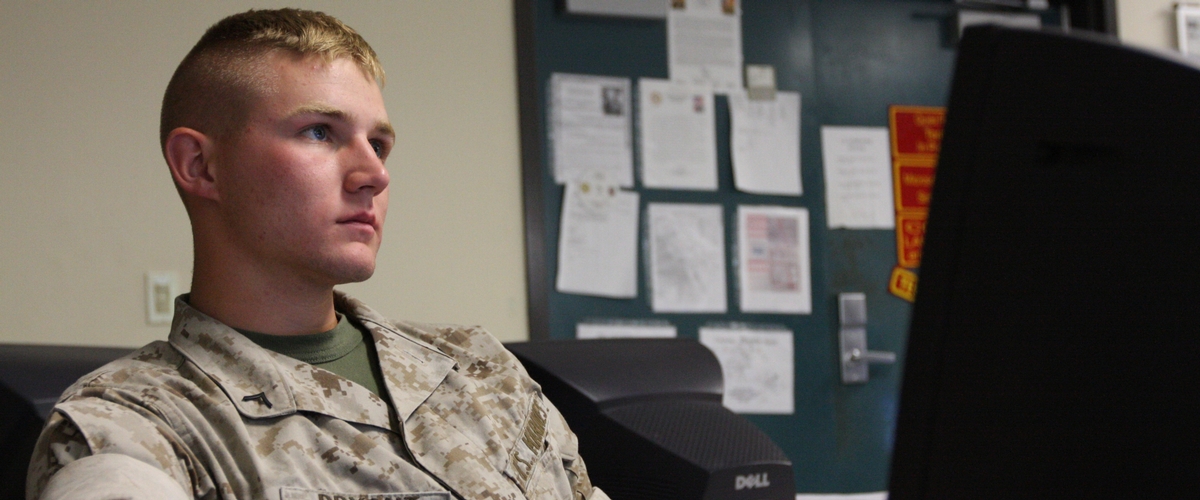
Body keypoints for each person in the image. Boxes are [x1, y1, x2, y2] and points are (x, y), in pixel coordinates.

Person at [26, 8, 608, 500]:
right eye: (319, 132)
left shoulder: (478, 366)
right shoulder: (134, 426)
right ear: (200, 166)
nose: (374, 174)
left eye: (378, 143)